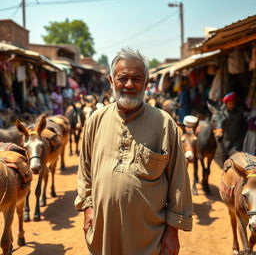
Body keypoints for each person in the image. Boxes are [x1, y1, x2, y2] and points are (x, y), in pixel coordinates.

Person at [74, 48, 193, 255]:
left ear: (146, 83)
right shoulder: (96, 120)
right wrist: (88, 208)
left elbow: (178, 181)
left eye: (136, 79)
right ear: (112, 81)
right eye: (123, 78)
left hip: (148, 238)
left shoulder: (164, 124)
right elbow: (85, 170)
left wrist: (172, 232)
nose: (129, 85)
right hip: (104, 234)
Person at [221, 91, 247, 157]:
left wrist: (241, 140)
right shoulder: (222, 113)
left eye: (232, 103)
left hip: (236, 142)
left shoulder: (239, 113)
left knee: (235, 160)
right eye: (229, 103)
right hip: (225, 142)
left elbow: (244, 127)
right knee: (225, 162)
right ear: (226, 104)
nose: (231, 105)